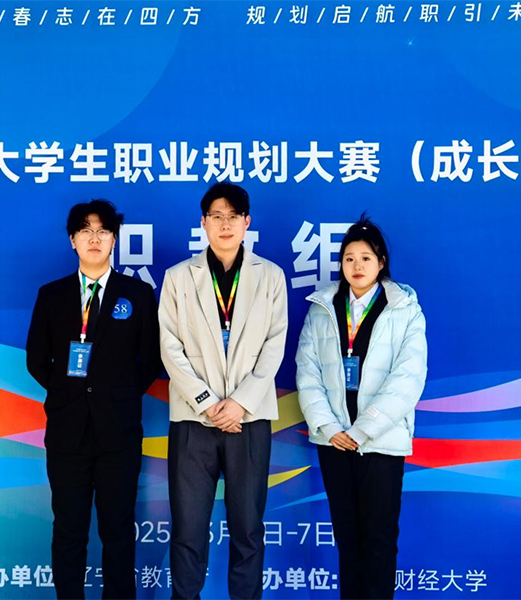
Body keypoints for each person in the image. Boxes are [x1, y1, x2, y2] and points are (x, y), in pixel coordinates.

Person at [26, 199, 163, 600]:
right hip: (67, 433)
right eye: (85, 231)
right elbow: (36, 359)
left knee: (117, 531)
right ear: (72, 240)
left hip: (118, 433)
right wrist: (68, 393)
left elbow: (151, 359)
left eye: (103, 231)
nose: (94, 239)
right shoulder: (51, 295)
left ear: (114, 240)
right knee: (69, 531)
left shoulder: (137, 294)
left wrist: (118, 394)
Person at [159, 182, 288, 600]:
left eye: (233, 216)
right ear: (204, 223)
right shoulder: (179, 277)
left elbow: (274, 346)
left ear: (247, 222)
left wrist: (240, 404)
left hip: (249, 421)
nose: (225, 224)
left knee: (248, 528)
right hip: (193, 421)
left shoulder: (270, 276)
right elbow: (170, 348)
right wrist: (209, 404)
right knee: (188, 528)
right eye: (217, 216)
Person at [295, 215, 428, 600]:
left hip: (381, 443)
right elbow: (307, 372)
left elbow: (408, 378)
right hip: (334, 442)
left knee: (379, 541)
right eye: (349, 258)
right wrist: (329, 427)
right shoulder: (322, 307)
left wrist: (362, 430)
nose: (357, 266)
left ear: (381, 262)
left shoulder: (405, 309)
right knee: (348, 541)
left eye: (366, 258)